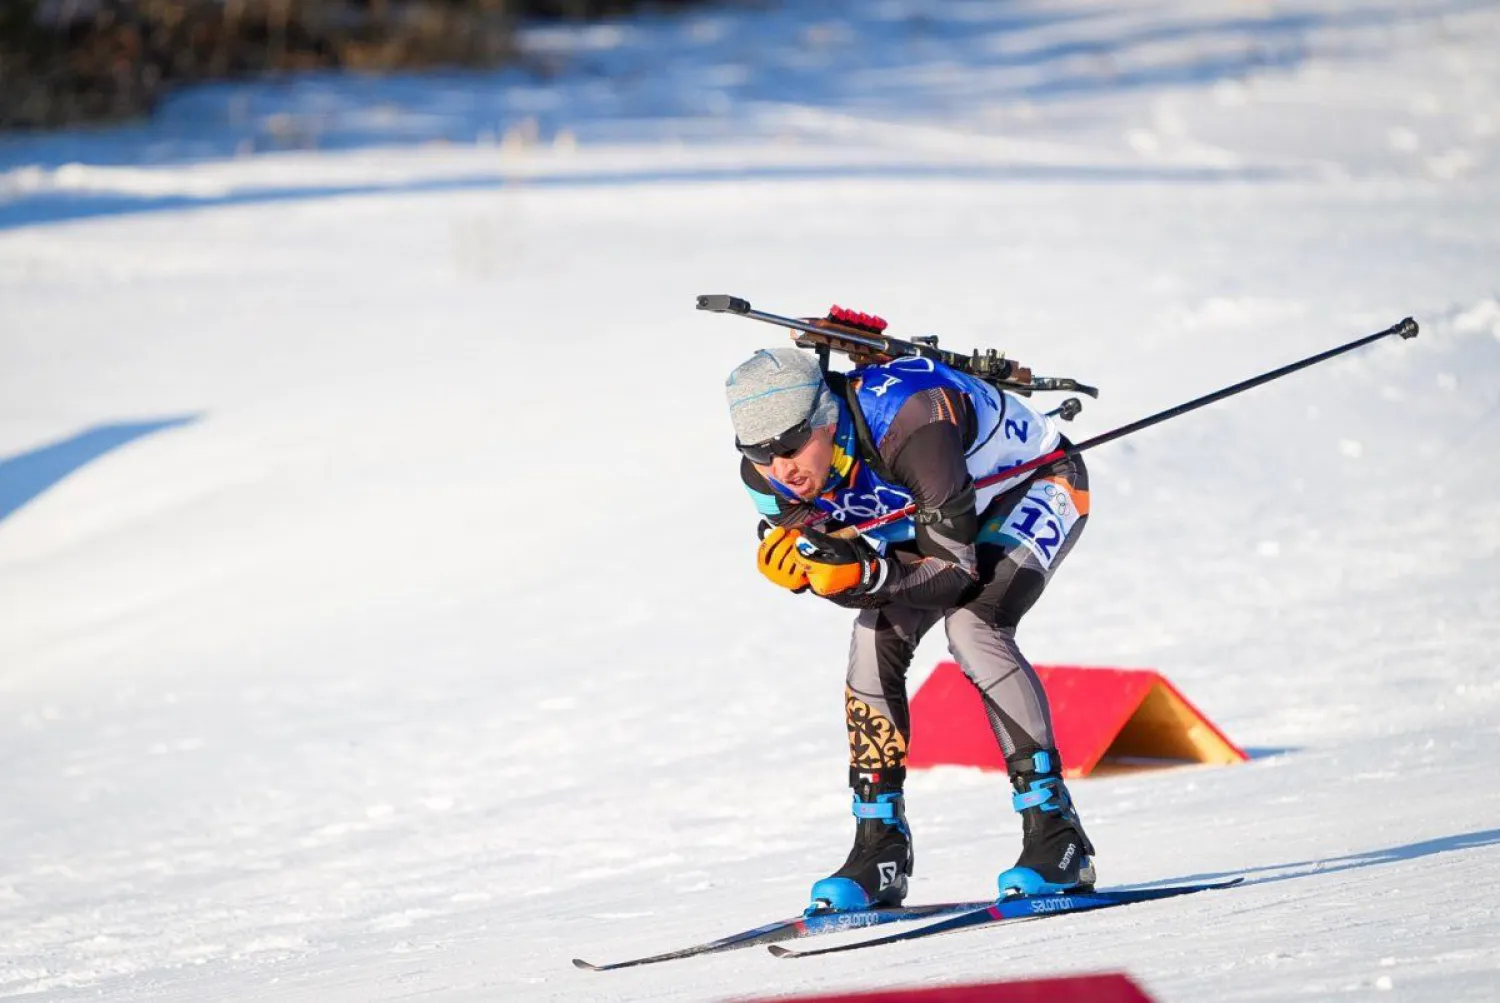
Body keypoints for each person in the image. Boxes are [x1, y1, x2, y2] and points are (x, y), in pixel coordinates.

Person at [724, 344, 1095, 910]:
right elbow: (846, 572)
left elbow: (952, 574)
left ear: (826, 419)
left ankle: (1057, 834)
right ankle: (880, 850)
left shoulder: (911, 420)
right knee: (873, 640)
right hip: (932, 517)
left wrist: (865, 572)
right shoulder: (768, 480)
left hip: (1033, 484)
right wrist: (814, 573)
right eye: (759, 454)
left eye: (791, 447)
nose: (781, 470)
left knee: (974, 627)